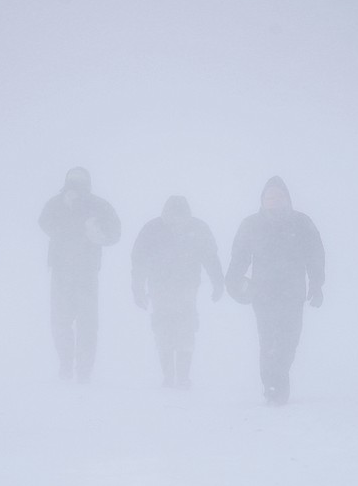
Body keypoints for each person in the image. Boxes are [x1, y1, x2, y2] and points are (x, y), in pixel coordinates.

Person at [225, 176, 325, 405]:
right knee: (269, 340)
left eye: (278, 196)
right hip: (263, 293)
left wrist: (317, 283)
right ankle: (272, 386)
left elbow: (315, 255)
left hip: (293, 292)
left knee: (289, 340)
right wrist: (232, 281)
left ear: (286, 198)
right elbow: (239, 256)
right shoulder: (251, 224)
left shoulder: (302, 223)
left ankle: (279, 376)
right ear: (262, 200)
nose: (273, 200)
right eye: (269, 197)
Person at [131, 196, 224, 389]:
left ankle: (182, 376)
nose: (175, 219)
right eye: (171, 214)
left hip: (187, 287)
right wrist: (137, 287)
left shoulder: (198, 229)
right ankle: (169, 376)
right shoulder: (152, 229)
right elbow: (138, 260)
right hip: (159, 287)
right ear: (165, 213)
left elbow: (210, 258)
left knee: (185, 328)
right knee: (164, 328)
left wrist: (218, 282)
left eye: (179, 215)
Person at [38, 167, 121, 383]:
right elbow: (44, 222)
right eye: (72, 183)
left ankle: (83, 369)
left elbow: (115, 232)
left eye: (79, 183)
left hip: (86, 272)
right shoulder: (57, 203)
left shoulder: (97, 205)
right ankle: (67, 365)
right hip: (62, 271)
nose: (75, 188)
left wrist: (98, 233)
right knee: (62, 321)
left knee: (85, 322)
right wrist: (68, 224)